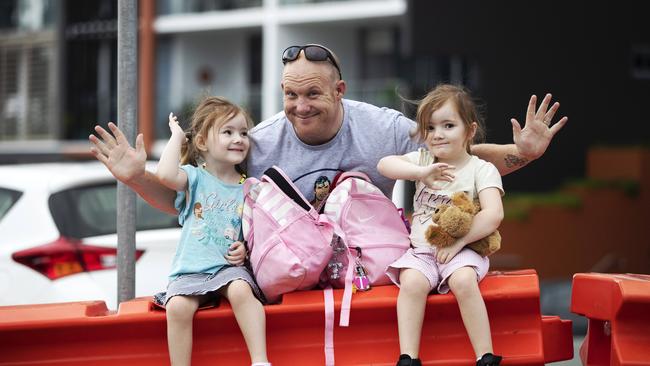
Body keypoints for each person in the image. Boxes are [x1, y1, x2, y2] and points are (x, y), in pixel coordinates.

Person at [89, 44, 566, 213]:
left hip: (367, 278)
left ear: (339, 89)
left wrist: (523, 152)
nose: (299, 106)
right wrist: (135, 176)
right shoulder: (260, 143)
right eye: (290, 94)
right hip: (288, 281)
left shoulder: (383, 128)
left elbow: (458, 158)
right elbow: (188, 198)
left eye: (312, 94)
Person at [379, 84, 504, 366]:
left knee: (463, 281)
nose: (438, 134)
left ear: (470, 131)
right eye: (431, 127)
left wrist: (459, 242)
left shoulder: (481, 169)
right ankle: (408, 357)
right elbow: (384, 165)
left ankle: (485, 354)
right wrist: (420, 173)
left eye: (448, 125)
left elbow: (493, 214)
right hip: (422, 252)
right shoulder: (424, 161)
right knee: (411, 283)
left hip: (464, 250)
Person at [152, 97, 270, 366]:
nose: (238, 138)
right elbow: (165, 175)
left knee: (241, 290)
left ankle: (260, 361)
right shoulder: (194, 177)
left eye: (243, 133)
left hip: (227, 267)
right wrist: (177, 138)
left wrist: (246, 248)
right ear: (203, 143)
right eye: (228, 132)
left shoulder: (250, 186)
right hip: (191, 268)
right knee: (177, 307)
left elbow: (257, 232)